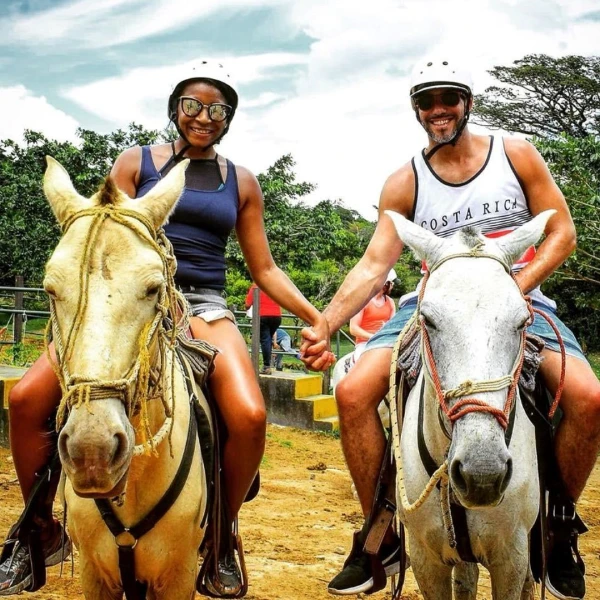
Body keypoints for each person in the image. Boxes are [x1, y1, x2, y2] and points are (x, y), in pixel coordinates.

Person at [0, 60, 334, 598]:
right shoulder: (136, 162)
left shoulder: (240, 180)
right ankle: (37, 527)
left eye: (217, 109)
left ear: (229, 118)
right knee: (27, 398)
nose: (204, 116)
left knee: (249, 415)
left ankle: (222, 534)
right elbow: (104, 229)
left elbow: (264, 267)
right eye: (193, 105)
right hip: (129, 296)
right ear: (175, 110)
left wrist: (317, 317)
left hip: (203, 305)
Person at [301, 57, 600, 599]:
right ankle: (381, 529)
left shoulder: (516, 156)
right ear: (416, 110)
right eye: (427, 102)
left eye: (448, 100)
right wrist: (327, 324)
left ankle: (558, 527)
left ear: (467, 103)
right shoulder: (404, 180)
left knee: (588, 395)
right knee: (352, 391)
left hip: (518, 301)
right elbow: (375, 266)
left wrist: (515, 286)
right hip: (431, 305)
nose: (438, 111)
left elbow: (562, 233)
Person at [348, 270, 396, 363]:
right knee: (363, 364)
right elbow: (353, 328)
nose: (393, 286)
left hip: (385, 343)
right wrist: (374, 337)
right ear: (385, 284)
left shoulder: (390, 302)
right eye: (391, 283)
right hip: (364, 344)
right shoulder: (362, 301)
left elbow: (392, 326)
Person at [245, 283, 282, 375]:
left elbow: (247, 305)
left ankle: (266, 366)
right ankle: (268, 365)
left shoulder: (255, 286)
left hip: (263, 316)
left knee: (265, 340)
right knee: (268, 340)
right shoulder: (274, 286)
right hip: (277, 317)